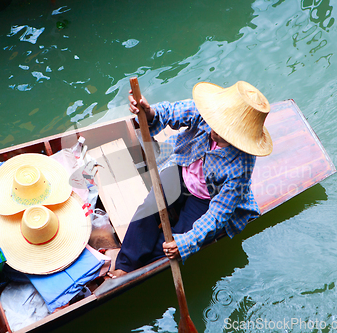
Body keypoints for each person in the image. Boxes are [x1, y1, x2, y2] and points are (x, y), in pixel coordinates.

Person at [108, 81, 273, 278]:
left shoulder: (242, 164)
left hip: (206, 197)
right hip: (182, 170)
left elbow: (218, 214)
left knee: (175, 243)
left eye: (223, 134)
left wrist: (186, 243)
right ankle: (125, 265)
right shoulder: (207, 112)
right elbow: (172, 112)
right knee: (150, 207)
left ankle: (139, 270)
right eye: (215, 125)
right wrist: (149, 112)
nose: (215, 132)